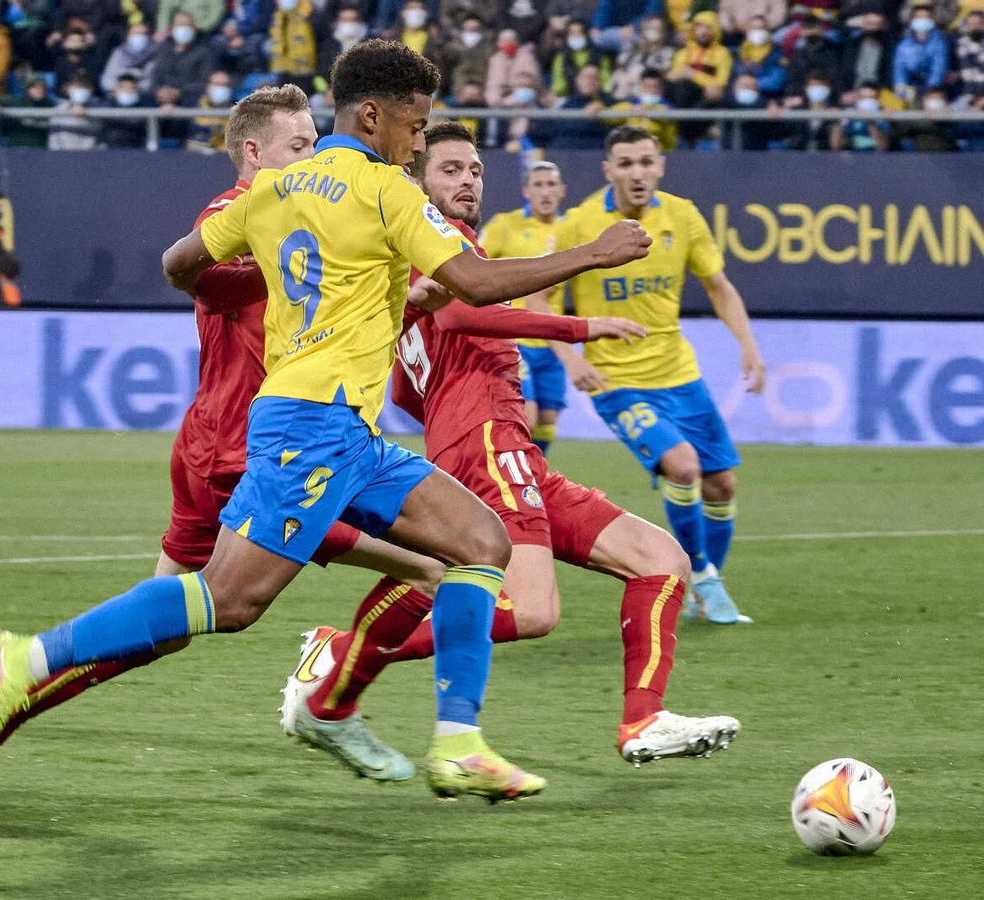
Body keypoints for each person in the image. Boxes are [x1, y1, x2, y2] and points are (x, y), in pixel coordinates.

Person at [0, 38, 652, 808]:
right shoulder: (386, 191)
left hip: (340, 429)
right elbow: (474, 282)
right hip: (303, 429)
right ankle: (26, 660)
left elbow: (180, 264)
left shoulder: (270, 193)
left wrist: (257, 280)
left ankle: (459, 742)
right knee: (227, 602)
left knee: (481, 541)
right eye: (416, 127)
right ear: (374, 115)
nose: (420, 143)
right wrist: (594, 252)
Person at [0, 85, 443, 788]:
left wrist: (401, 303)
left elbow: (320, 320)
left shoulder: (306, 217)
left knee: (161, 628)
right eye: (300, 146)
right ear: (254, 154)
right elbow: (215, 278)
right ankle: (332, 696)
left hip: (224, 446)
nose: (315, 157)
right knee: (430, 564)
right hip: (260, 451)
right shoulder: (237, 209)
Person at [285, 121, 740, 773]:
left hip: (502, 447)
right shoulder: (427, 242)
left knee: (658, 557)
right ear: (417, 180)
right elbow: (465, 310)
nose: (467, 180)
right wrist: (577, 324)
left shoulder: (410, 259)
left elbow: (410, 387)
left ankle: (644, 719)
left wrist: (450, 393)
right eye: (449, 170)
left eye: (473, 170)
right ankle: (340, 661)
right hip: (487, 446)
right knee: (530, 611)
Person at [547, 126, 765, 625]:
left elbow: (719, 286)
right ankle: (703, 578)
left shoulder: (682, 216)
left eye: (646, 161)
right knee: (683, 466)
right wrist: (572, 358)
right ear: (608, 171)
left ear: (661, 165)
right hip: (615, 380)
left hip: (680, 376)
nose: (637, 173)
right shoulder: (581, 223)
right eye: (626, 163)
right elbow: (541, 299)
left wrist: (749, 347)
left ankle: (703, 589)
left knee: (722, 485)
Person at [481, 160, 569, 454]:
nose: (545, 192)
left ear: (562, 191)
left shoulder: (571, 231)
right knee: (527, 418)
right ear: (526, 191)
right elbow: (476, 265)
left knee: (547, 419)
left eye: (551, 184)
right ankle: (512, 475)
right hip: (514, 339)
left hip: (553, 341)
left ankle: (534, 476)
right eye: (538, 185)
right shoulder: (505, 226)